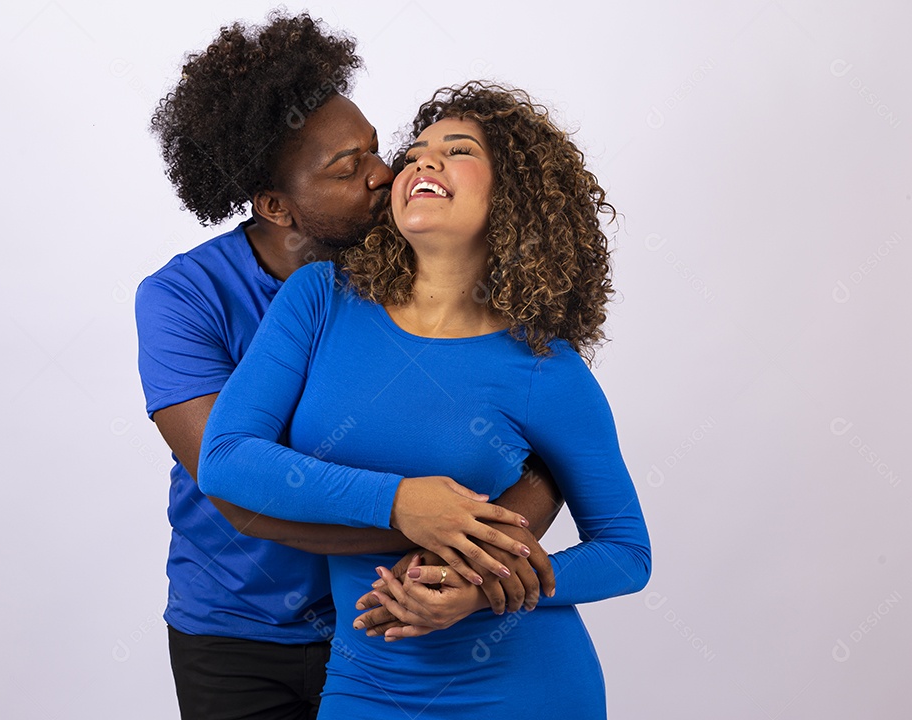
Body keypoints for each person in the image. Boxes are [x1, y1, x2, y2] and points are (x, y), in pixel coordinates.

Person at [137, 13, 561, 720]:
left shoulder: (426, 262)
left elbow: (550, 449)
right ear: (275, 205)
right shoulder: (183, 298)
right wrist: (439, 524)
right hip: (236, 634)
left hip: (400, 624)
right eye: (346, 168)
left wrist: (470, 551)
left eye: (374, 149)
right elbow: (237, 492)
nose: (383, 174)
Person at [197, 82, 653, 718]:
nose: (422, 161)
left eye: (458, 150)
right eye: (413, 154)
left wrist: (487, 587)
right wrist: (399, 502)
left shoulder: (545, 367)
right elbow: (225, 457)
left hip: (521, 689)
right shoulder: (320, 298)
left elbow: (626, 553)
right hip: (365, 682)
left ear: (514, 194)